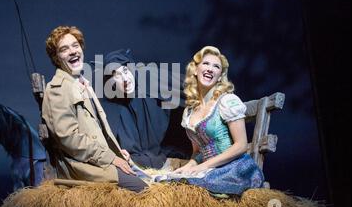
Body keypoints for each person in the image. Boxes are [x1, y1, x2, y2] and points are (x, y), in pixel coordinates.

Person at [41, 26, 148, 192]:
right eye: (64, 49)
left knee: (149, 178)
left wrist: (117, 152)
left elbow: (97, 130)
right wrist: (110, 158)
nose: (72, 51)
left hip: (96, 160)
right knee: (142, 188)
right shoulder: (58, 89)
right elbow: (70, 139)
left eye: (75, 45)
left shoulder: (82, 83)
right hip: (82, 167)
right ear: (56, 57)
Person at [166, 46, 264, 195]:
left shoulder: (227, 101)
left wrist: (202, 168)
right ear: (195, 70)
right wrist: (189, 167)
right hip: (209, 170)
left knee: (192, 188)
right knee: (171, 181)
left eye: (216, 66)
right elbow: (198, 152)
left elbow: (241, 145)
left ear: (220, 76)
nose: (210, 69)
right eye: (206, 64)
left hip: (234, 169)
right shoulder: (189, 113)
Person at [99, 49, 187, 169]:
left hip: (169, 145)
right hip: (138, 160)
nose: (125, 79)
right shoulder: (115, 107)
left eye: (125, 71)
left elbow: (186, 85)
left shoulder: (151, 80)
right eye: (117, 76)